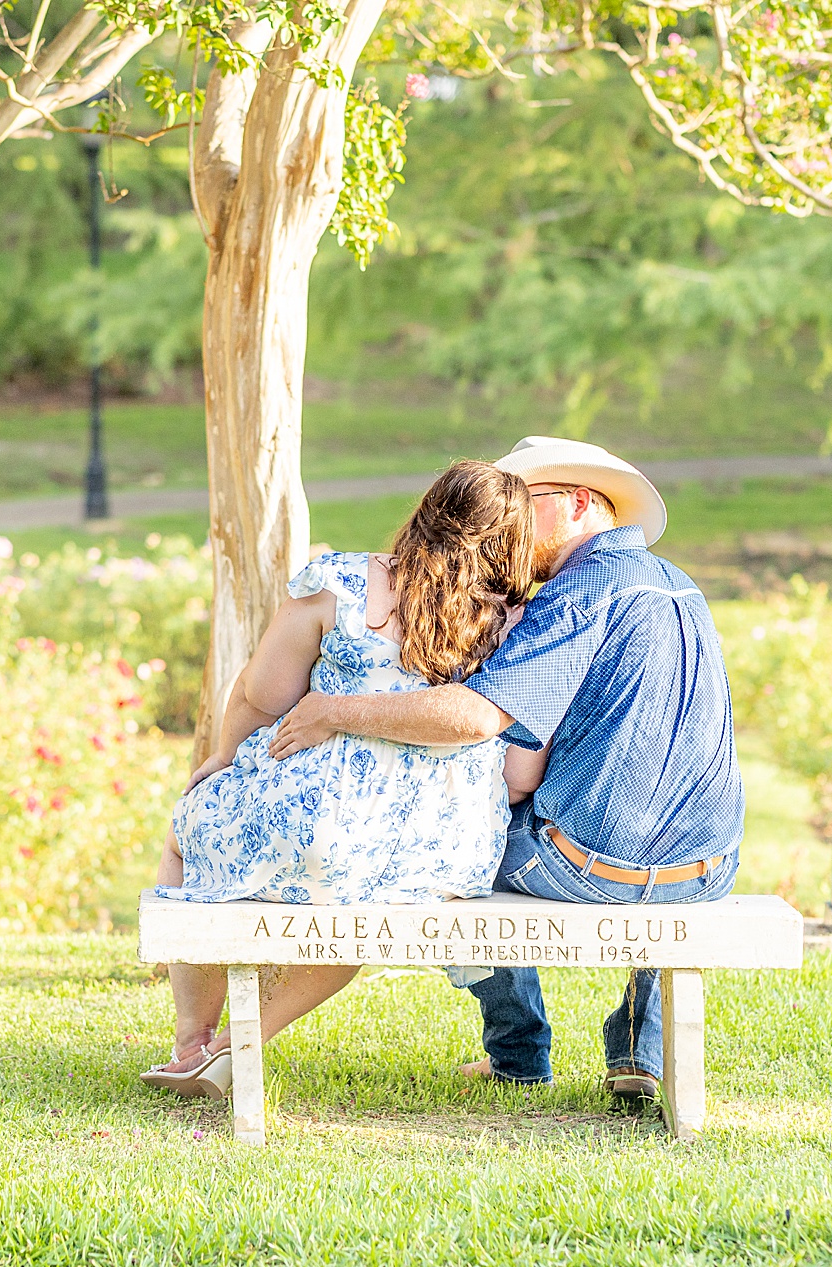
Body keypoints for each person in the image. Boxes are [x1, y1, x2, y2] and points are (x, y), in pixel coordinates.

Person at [268, 436, 745, 1104]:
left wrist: (339, 712)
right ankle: (640, 1045)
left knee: (445, 846)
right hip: (708, 867)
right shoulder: (679, 585)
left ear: (581, 503)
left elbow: (484, 727)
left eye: (528, 505)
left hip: (594, 869)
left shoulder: (576, 594)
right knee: (648, 816)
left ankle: (518, 1048)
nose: (510, 528)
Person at [141, 460, 543, 1099]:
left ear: (426, 512)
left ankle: (195, 1038)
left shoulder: (344, 586)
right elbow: (523, 767)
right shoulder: (522, 624)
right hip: (444, 853)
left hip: (321, 818)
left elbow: (260, 694)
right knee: (352, 913)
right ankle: (234, 1046)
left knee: (188, 835)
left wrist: (222, 758)